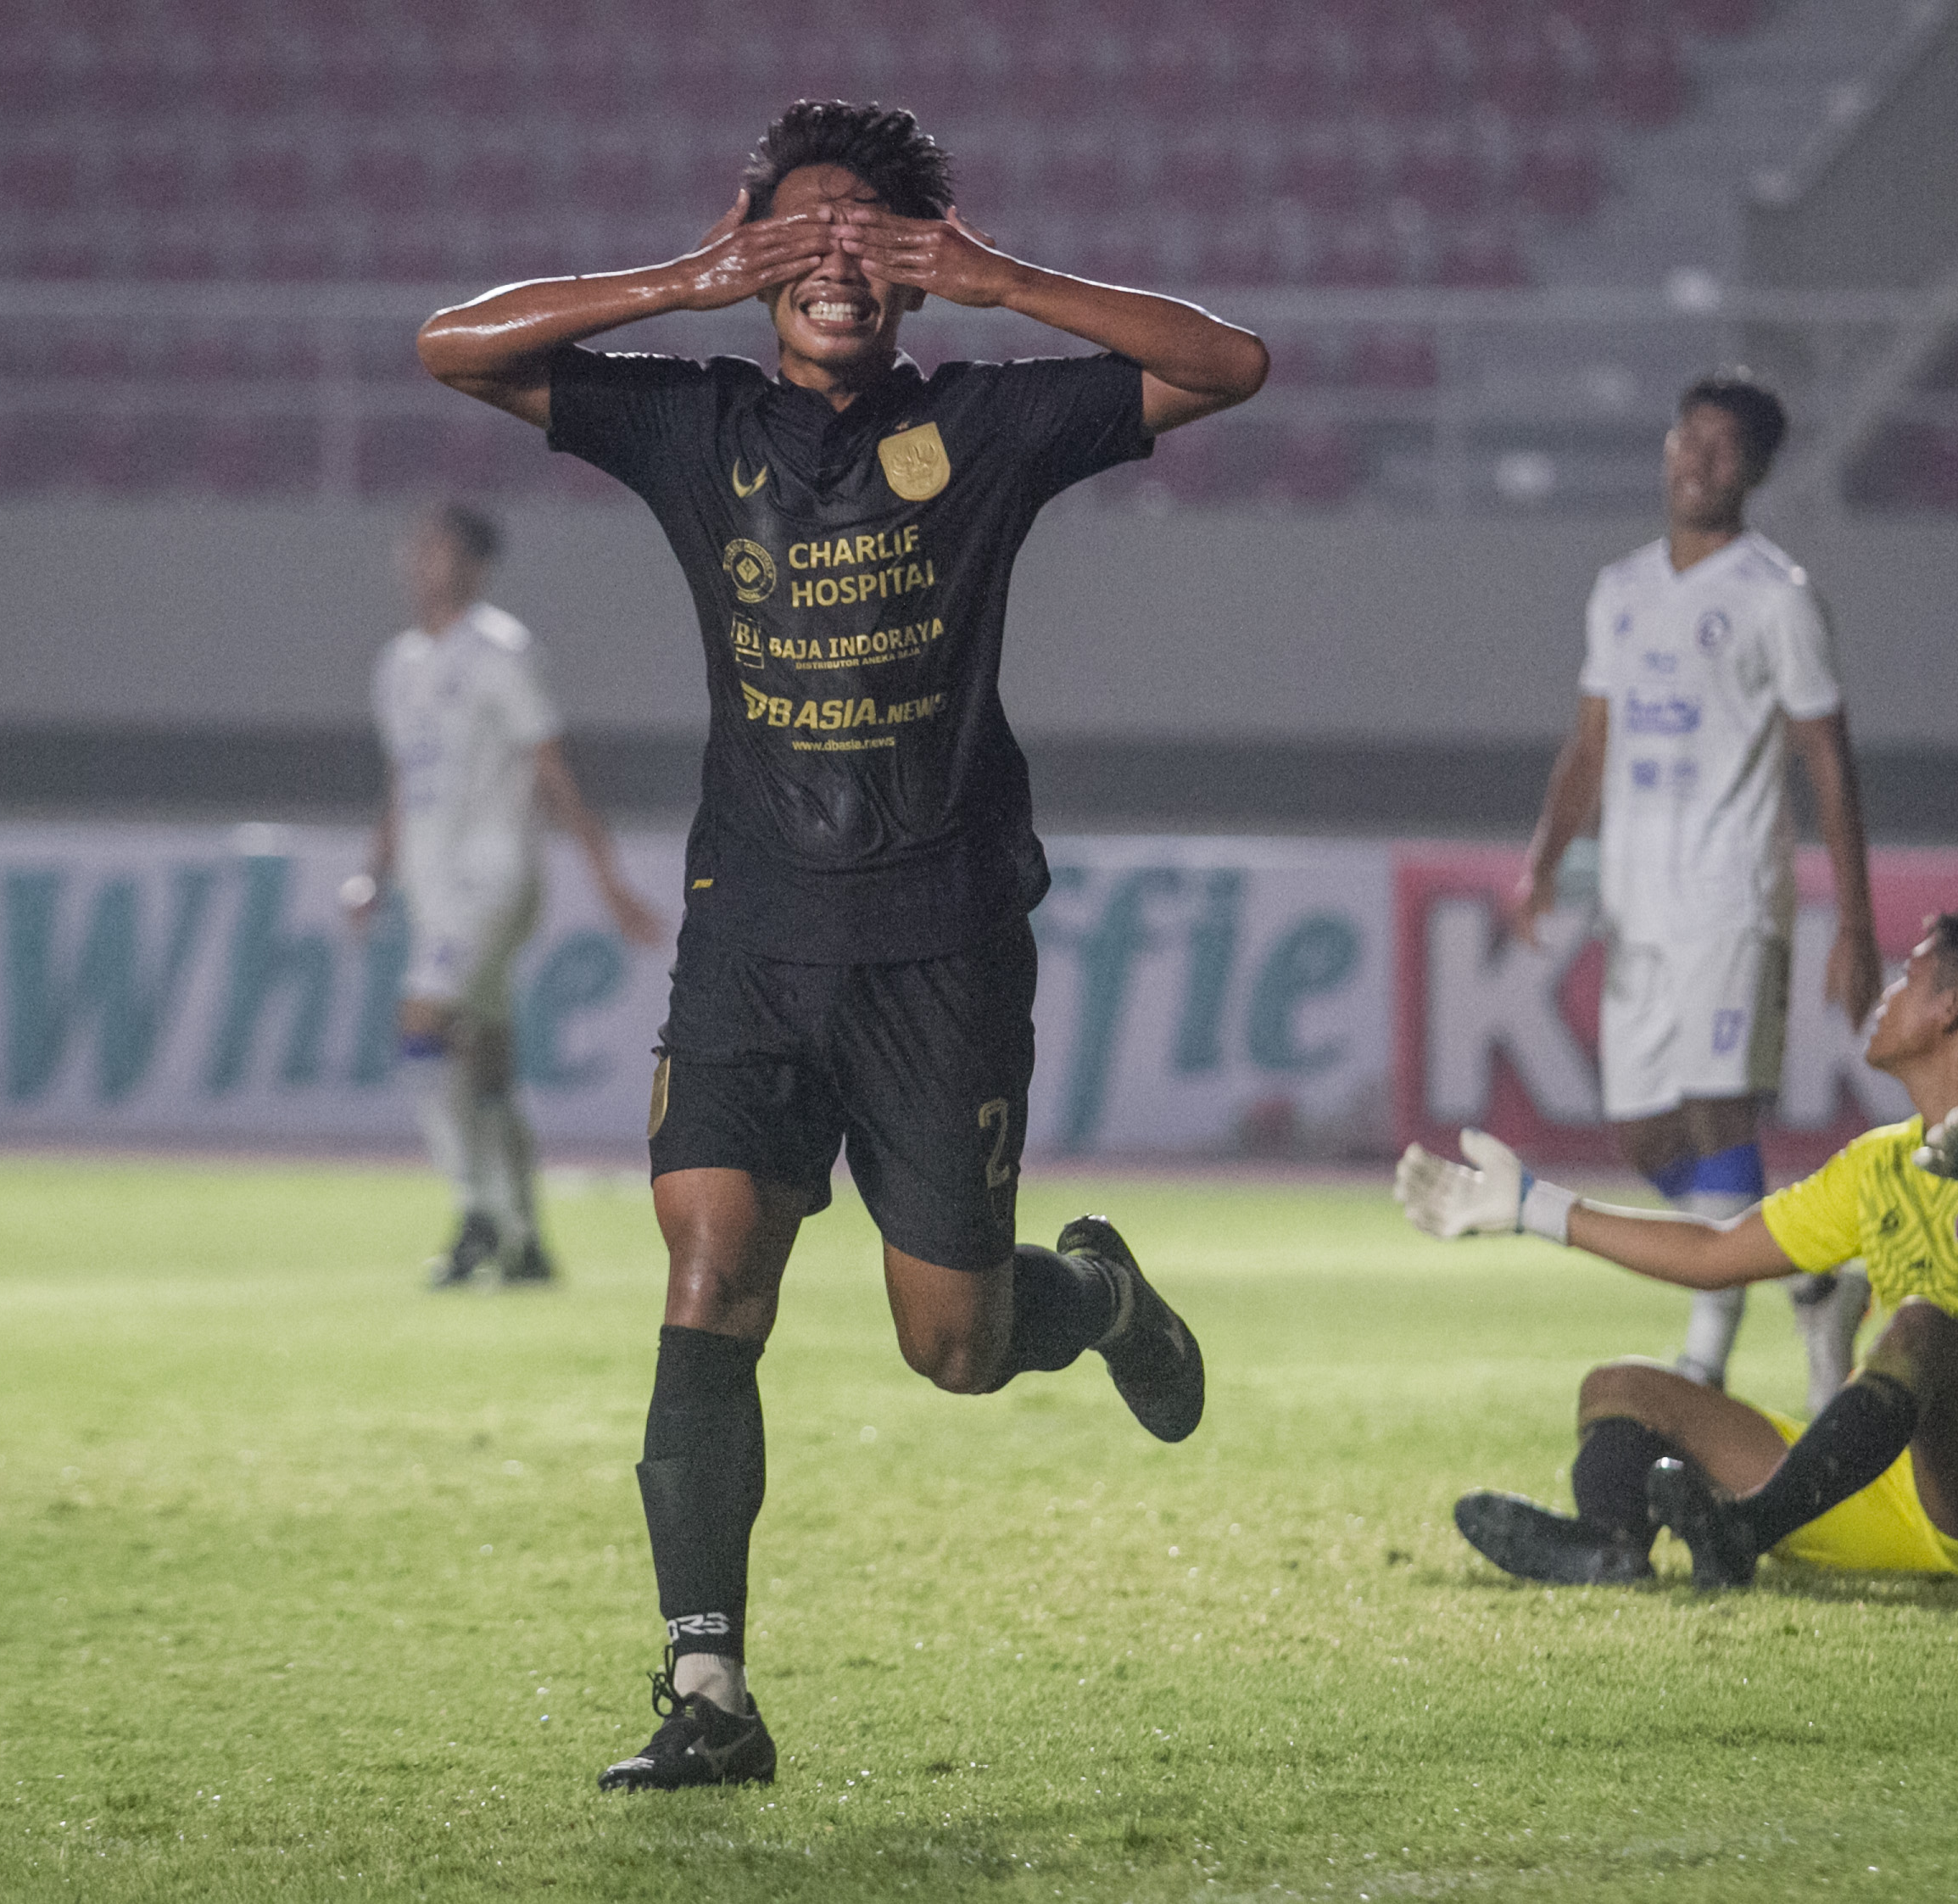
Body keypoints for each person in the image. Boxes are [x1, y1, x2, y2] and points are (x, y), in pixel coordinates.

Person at [416, 100, 1268, 1788]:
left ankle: (1094, 1298)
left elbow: (1228, 363)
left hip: (936, 946)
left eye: (868, 244)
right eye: (800, 240)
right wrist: (684, 276)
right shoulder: (695, 431)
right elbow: (450, 348)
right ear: (757, 268)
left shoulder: (987, 430)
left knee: (950, 1346)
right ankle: (708, 1694)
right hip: (750, 932)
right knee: (709, 1279)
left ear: (912, 283)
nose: (833, 265)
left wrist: (1005, 277)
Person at [1397, 909, 1958, 1588]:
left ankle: (1742, 1532)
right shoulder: (1877, 1165)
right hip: (1901, 1501)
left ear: (1950, 1009)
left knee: (1921, 1329)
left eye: (1909, 975)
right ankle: (1610, 1547)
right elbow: (1715, 1252)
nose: (1887, 990)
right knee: (1620, 1387)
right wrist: (1533, 1205)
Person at [1504, 372, 1883, 1406]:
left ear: (1755, 471)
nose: (1696, 460)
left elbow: (1827, 758)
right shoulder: (1619, 589)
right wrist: (1541, 862)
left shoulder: (1776, 595)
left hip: (1730, 896)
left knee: (1720, 1113)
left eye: (1722, 448)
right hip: (1635, 904)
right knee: (1642, 1135)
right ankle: (1810, 1273)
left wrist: (1853, 919)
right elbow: (1589, 743)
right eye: (1686, 439)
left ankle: (1702, 1360)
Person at [346, 502, 668, 1287]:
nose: (424, 561)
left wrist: (608, 879)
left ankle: (477, 1212)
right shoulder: (397, 664)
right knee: (486, 1064)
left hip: (495, 877)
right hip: (433, 884)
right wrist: (375, 872)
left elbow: (552, 769)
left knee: (422, 1022)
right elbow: (402, 780)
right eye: (417, 545)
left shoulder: (501, 651)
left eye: (442, 549)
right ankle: (526, 1242)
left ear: (477, 566)